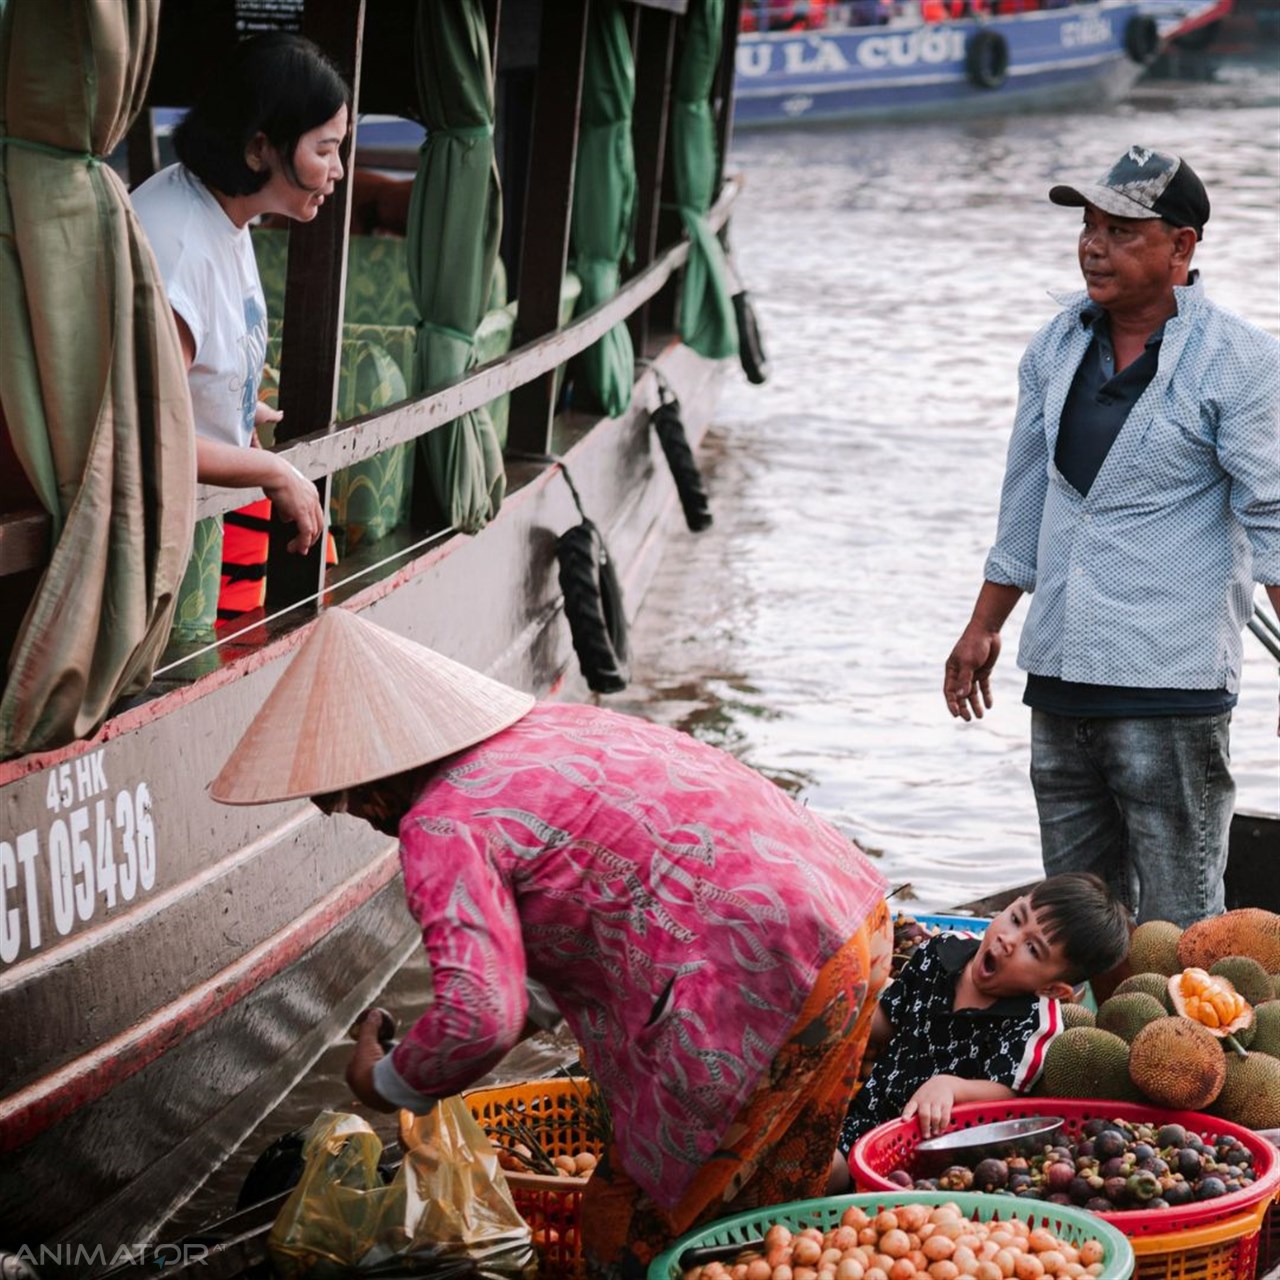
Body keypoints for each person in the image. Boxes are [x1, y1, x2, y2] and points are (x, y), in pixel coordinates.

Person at [209, 608, 892, 1274]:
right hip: (849, 925)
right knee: (768, 1224)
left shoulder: (442, 824)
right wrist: (444, 1037)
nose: (358, 819)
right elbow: (550, 946)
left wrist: (386, 1082)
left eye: (346, 800)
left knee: (621, 1236)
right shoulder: (554, 728)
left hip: (765, 982)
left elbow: (483, 1015)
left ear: (375, 775)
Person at [944, 146, 1280, 927]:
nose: (1094, 245)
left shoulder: (1241, 362)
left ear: (1182, 246)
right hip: (1060, 680)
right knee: (1076, 927)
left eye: (1123, 231)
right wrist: (983, 627)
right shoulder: (1056, 346)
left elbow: (1274, 518)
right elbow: (1026, 498)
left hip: (1170, 690)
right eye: (1090, 227)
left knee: (1180, 928)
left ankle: (1192, 1048)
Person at [131, 34, 348, 616]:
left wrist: (232, 401)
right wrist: (273, 469)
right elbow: (155, 436)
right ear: (259, 148)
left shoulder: (227, 211)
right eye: (324, 151)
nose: (339, 170)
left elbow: (186, 377)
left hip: (206, 522)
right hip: (157, 545)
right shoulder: (177, 247)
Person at [828, 872, 1131, 1190]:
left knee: (826, 1172)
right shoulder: (941, 952)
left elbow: (1008, 1090)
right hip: (868, 1107)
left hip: (920, 1152)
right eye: (1015, 918)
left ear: (1052, 989)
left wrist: (952, 1088)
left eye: (1032, 948)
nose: (1008, 940)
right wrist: (845, 1016)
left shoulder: (1035, 1022)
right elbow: (890, 1019)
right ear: (1012, 904)